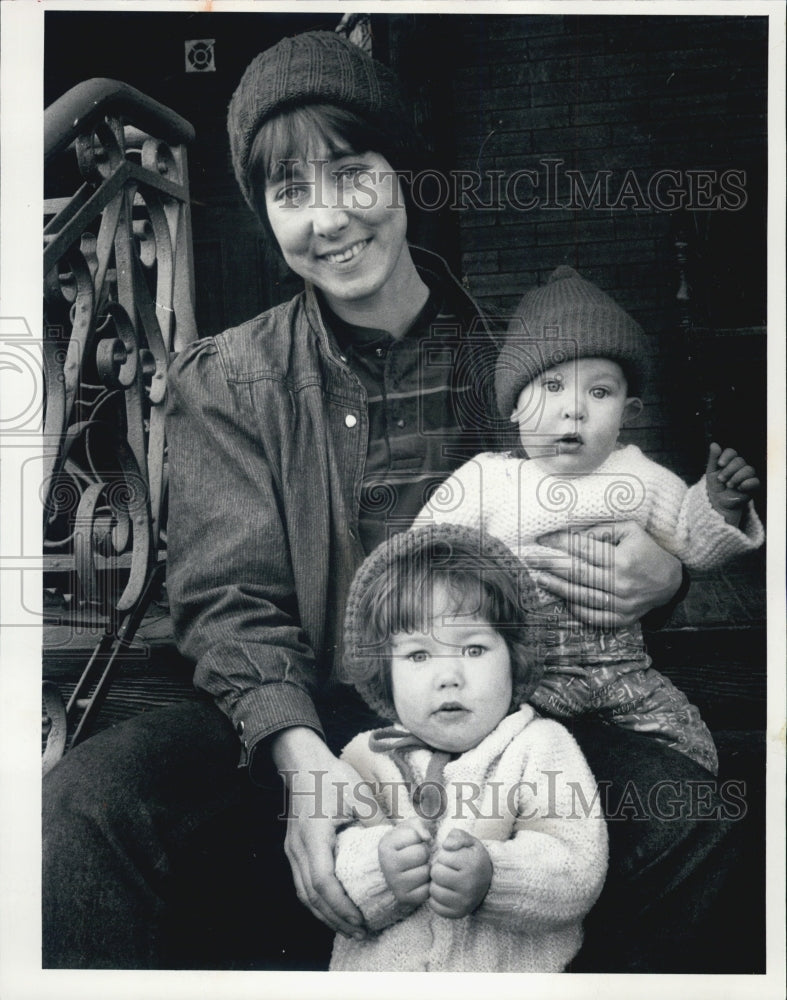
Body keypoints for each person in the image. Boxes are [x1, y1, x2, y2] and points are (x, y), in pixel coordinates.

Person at [42, 30, 733, 972]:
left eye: (353, 173)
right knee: (87, 806)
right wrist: (300, 761)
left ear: (402, 174)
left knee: (700, 824)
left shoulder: (510, 363)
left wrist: (662, 578)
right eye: (291, 193)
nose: (328, 218)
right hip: (302, 718)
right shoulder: (230, 380)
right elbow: (230, 602)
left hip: (500, 724)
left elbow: (616, 505)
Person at [414, 265, 764, 776]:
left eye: (599, 393)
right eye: (551, 386)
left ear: (630, 410)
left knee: (688, 746)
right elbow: (423, 548)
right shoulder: (487, 479)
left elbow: (692, 539)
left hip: (622, 674)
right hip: (522, 676)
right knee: (494, 758)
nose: (573, 410)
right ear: (513, 409)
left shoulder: (637, 475)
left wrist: (719, 503)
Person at [328, 523, 608, 972]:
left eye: (474, 649)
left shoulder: (539, 747)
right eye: (419, 656)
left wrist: (494, 876)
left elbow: (577, 866)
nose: (449, 675)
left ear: (515, 658)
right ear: (385, 674)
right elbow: (330, 868)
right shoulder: (366, 758)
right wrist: (379, 870)